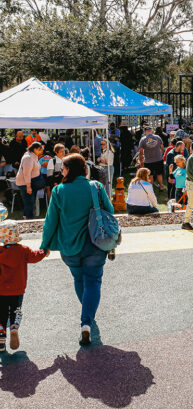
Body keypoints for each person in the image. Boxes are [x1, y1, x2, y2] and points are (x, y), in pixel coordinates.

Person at [40, 154, 114, 345]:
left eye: (63, 168)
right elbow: (110, 211)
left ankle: (87, 315)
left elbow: (51, 222)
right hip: (95, 244)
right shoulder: (96, 187)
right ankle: (86, 321)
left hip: (69, 246)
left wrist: (45, 245)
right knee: (93, 281)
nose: (61, 171)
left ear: (69, 170)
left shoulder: (58, 191)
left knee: (78, 278)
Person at [0, 220, 48, 352]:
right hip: (18, 288)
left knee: (1, 314)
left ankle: (1, 341)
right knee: (16, 309)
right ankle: (14, 327)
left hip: (1, 290)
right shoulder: (23, 250)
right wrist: (44, 251)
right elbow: (35, 257)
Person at [15, 142, 45, 220]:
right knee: (29, 203)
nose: (40, 152)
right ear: (34, 149)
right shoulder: (28, 157)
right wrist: (28, 186)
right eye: (39, 150)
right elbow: (26, 173)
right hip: (25, 183)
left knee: (30, 203)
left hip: (31, 182)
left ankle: (27, 218)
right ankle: (28, 220)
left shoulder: (33, 155)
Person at [138, 126, 165, 191]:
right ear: (151, 131)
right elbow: (162, 147)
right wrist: (161, 154)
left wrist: (141, 160)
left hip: (148, 160)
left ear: (145, 132)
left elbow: (141, 151)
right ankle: (161, 186)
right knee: (159, 174)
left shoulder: (143, 139)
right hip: (158, 159)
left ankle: (151, 189)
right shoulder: (158, 137)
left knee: (150, 175)